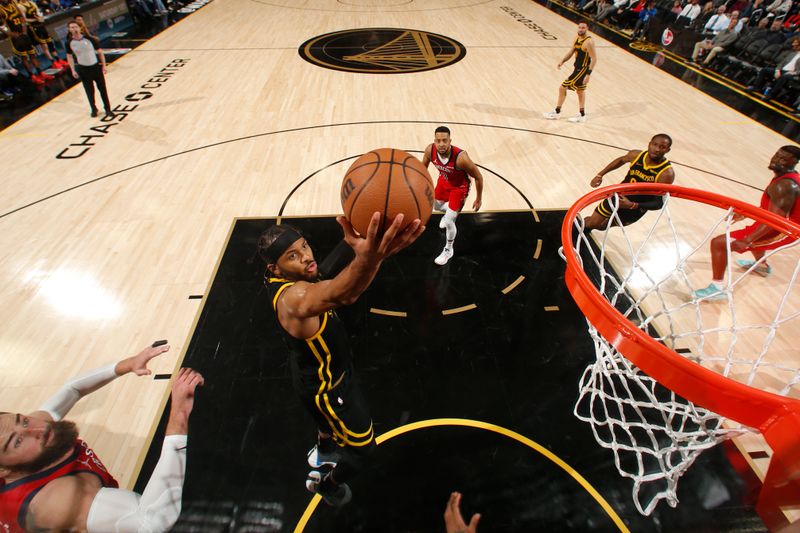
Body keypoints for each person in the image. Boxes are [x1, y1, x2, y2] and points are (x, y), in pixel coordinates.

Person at [259, 213, 424, 506]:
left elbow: (328, 268)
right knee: (363, 451)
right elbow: (344, 293)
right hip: (330, 389)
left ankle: (323, 449)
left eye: (305, 247)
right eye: (293, 256)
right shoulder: (293, 298)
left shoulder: (289, 277)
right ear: (276, 268)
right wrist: (375, 256)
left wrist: (362, 231)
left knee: (324, 423)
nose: (306, 258)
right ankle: (328, 485)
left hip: (307, 372)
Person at [0, 341, 204, 532]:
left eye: (23, 420)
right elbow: (152, 521)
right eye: (17, 442)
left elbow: (72, 389)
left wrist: (129, 364)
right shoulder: (56, 501)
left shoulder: (32, 432)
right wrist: (179, 414)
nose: (39, 429)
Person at [694, 146, 800, 300]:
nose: (777, 160)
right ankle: (762, 266)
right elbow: (772, 209)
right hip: (778, 223)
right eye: (777, 155)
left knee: (719, 243)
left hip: (786, 230)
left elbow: (774, 221)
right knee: (754, 233)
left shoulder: (784, 185)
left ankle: (717, 289)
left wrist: (747, 240)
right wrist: (746, 214)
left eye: (784, 159)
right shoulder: (785, 177)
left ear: (794, 162)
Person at [584, 134, 675, 231]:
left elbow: (659, 203)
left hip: (635, 209)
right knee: (593, 223)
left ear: (667, 150)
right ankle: (579, 229)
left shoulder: (666, 174)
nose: (657, 149)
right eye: (655, 144)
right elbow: (621, 160)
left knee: (602, 227)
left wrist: (632, 205)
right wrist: (600, 174)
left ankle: (582, 227)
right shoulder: (636, 155)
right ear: (649, 144)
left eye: (662, 147)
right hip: (618, 197)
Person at [422, 125, 485, 265]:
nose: (441, 144)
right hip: (444, 182)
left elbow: (478, 177)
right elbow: (422, 170)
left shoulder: (461, 158)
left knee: (450, 220)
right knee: (434, 206)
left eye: (445, 140)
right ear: (434, 141)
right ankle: (451, 211)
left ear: (450, 140)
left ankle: (448, 250)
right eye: (438, 141)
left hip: (459, 188)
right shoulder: (429, 150)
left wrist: (479, 198)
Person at [543, 21, 598, 123]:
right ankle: (582, 115)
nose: (581, 29)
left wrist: (588, 75)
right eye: (579, 27)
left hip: (583, 70)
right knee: (580, 91)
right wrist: (562, 61)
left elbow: (594, 59)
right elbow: (571, 51)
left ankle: (557, 112)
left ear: (587, 29)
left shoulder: (588, 42)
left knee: (562, 87)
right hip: (577, 68)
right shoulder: (576, 38)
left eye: (583, 28)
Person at [66, 19, 111, 117]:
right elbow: (69, 56)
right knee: (89, 91)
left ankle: (107, 109)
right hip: (83, 69)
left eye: (76, 27)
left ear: (80, 28)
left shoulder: (90, 39)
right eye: (72, 27)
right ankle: (93, 109)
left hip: (95, 67)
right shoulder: (69, 42)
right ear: (69, 29)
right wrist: (73, 69)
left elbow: (100, 52)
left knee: (102, 90)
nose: (74, 29)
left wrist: (103, 65)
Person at [0, 0, 52, 84]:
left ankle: (40, 73)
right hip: (16, 36)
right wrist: (9, 33)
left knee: (32, 54)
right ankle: (32, 76)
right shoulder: (1, 9)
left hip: (23, 33)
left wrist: (24, 28)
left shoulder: (13, 4)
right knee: (24, 57)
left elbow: (22, 17)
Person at [18, 0, 67, 69]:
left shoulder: (31, 3)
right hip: (33, 27)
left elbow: (38, 12)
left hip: (40, 25)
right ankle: (53, 62)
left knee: (50, 43)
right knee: (44, 45)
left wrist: (41, 17)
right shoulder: (20, 6)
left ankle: (58, 59)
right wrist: (36, 20)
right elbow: (24, 19)